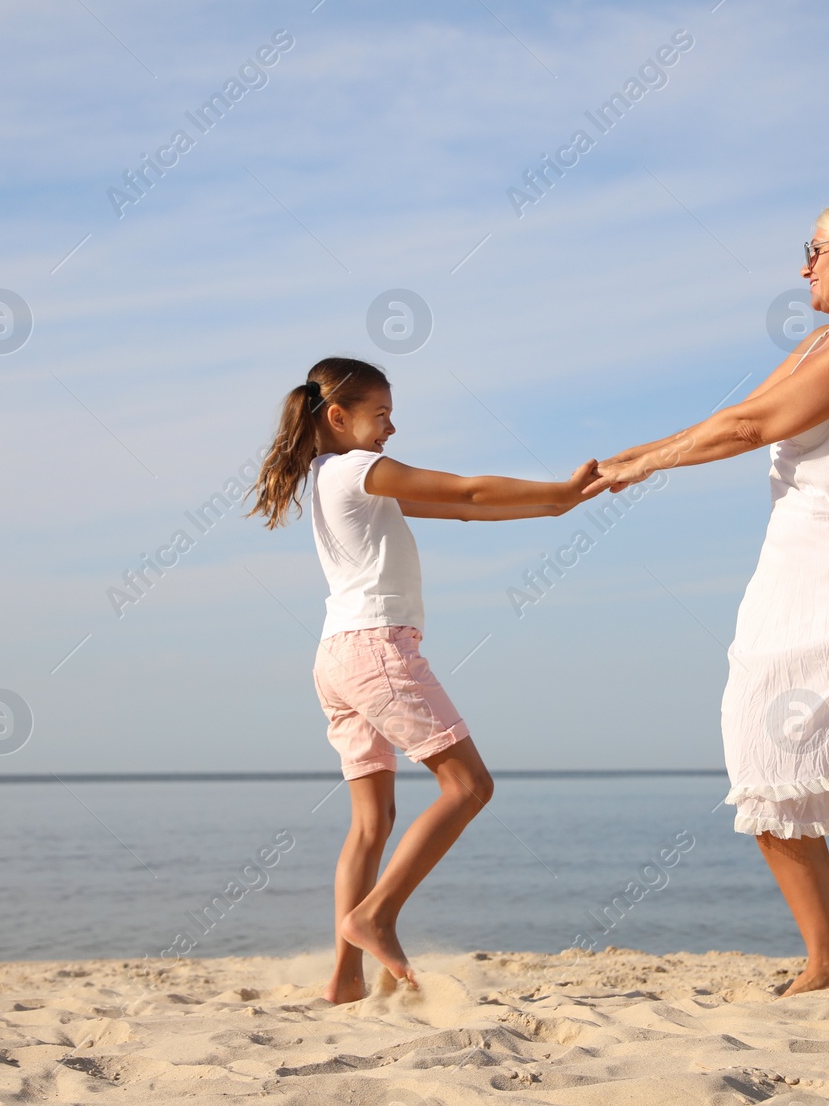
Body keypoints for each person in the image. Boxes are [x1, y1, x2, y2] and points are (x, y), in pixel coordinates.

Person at [597, 195, 829, 995]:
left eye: (817, 247)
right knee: (764, 758)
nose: (803, 263)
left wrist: (646, 465)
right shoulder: (819, 341)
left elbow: (754, 427)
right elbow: (737, 413)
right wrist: (644, 450)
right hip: (786, 578)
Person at [249, 357, 601, 1002]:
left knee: (369, 825)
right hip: (377, 648)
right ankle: (375, 917)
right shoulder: (357, 468)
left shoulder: (331, 476)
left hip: (336, 656)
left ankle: (345, 977)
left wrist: (554, 506)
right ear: (338, 417)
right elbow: (464, 489)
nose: (391, 427)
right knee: (468, 785)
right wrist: (556, 489)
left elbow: (461, 509)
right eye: (380, 414)